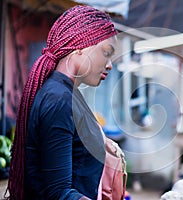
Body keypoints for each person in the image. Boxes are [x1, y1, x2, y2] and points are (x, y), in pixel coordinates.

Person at [6, 5, 118, 200]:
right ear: (80, 47)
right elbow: (59, 193)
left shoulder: (67, 93)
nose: (110, 64)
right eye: (106, 53)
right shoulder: (59, 99)